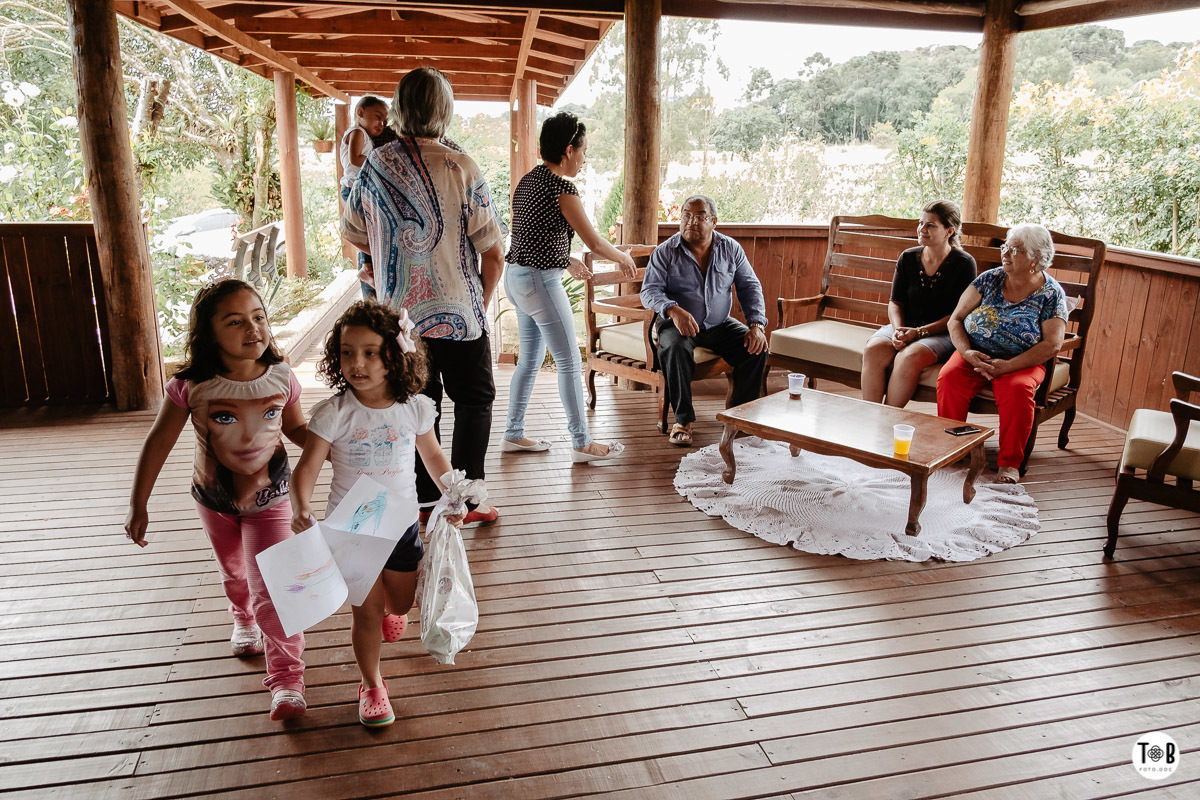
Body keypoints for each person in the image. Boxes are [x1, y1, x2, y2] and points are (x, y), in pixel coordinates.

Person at [124, 279, 309, 721]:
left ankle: (287, 681)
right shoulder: (192, 385)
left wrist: (341, 445)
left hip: (272, 500)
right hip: (213, 500)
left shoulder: (282, 374)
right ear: (209, 333)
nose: (253, 329)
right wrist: (139, 503)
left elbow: (297, 430)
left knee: (275, 588)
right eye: (236, 321)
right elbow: (158, 443)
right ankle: (241, 615)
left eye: (258, 317)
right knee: (233, 568)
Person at [341, 67, 506, 524]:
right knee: (474, 400)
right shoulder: (461, 165)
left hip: (400, 322)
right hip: (462, 314)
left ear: (399, 107)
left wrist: (389, 259)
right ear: (444, 110)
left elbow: (354, 233)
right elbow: (493, 251)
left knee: (417, 407)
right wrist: (480, 302)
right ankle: (468, 501)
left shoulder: (374, 165)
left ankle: (422, 500)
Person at [289, 301, 464, 727]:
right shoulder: (334, 413)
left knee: (401, 602)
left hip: (401, 526)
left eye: (370, 352)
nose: (357, 363)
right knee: (364, 613)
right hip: (350, 530)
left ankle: (394, 613)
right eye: (347, 352)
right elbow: (307, 468)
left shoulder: (414, 408)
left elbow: (434, 455)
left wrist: (454, 493)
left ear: (395, 355)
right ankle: (372, 686)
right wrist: (301, 507)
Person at [502, 112, 637, 464]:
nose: (583, 158)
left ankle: (513, 433)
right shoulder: (562, 186)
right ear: (567, 150)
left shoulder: (529, 181)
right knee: (568, 361)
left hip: (515, 278)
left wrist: (566, 260)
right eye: (582, 151)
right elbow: (594, 241)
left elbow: (534, 235)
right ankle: (582, 442)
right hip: (538, 282)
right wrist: (621, 257)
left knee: (529, 362)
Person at [938, 222, 1068, 484]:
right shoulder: (990, 279)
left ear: (1036, 258)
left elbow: (1052, 344)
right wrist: (966, 353)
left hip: (1022, 362)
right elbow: (956, 320)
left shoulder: (1051, 294)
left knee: (1018, 390)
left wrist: (1007, 367)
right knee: (950, 378)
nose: (1005, 252)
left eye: (1015, 249)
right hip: (976, 354)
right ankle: (952, 449)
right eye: (1005, 246)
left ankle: (1010, 463)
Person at [641, 195, 769, 447]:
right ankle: (683, 421)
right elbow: (649, 291)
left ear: (714, 221)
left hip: (718, 324)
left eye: (699, 216)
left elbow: (750, 286)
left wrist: (757, 325)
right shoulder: (665, 251)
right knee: (675, 348)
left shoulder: (730, 249)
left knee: (756, 349)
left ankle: (739, 417)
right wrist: (673, 309)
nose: (691, 221)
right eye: (686, 215)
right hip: (675, 324)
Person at [862, 199, 977, 407]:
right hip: (906, 327)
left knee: (909, 356)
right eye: (921, 223)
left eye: (930, 225)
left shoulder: (964, 263)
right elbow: (895, 302)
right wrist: (898, 331)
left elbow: (958, 315)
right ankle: (870, 415)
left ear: (949, 231)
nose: (921, 229)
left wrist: (919, 333)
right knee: (874, 348)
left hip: (944, 333)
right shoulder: (908, 257)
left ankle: (887, 417)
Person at [339, 95, 388, 299]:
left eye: (384, 121)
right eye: (377, 117)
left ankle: (367, 267)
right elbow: (355, 158)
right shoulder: (357, 132)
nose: (381, 124)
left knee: (368, 232)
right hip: (352, 190)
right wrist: (380, 160)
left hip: (357, 190)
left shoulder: (366, 136)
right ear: (360, 113)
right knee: (367, 231)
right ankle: (366, 268)